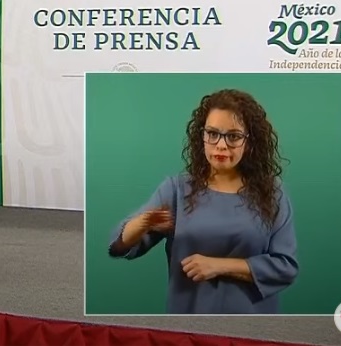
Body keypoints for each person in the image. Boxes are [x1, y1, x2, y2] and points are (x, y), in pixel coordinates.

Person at [107, 89, 298, 314]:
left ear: (249, 142)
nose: (221, 145)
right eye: (212, 134)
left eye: (233, 136)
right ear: (202, 137)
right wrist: (140, 224)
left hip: (251, 322)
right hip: (189, 319)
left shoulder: (272, 193)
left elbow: (285, 266)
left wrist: (218, 266)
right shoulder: (176, 190)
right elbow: (118, 246)